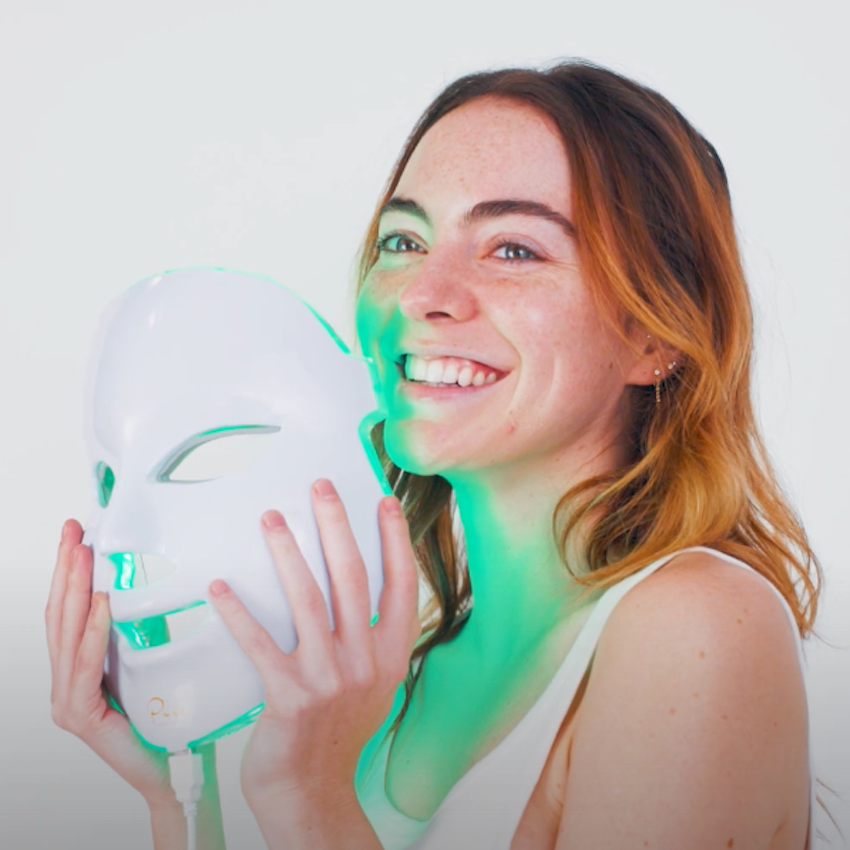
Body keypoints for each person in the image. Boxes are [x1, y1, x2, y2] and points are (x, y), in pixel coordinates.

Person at [47, 60, 820, 849]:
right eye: (404, 239)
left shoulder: (697, 627)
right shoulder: (397, 667)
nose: (424, 292)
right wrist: (178, 788)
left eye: (514, 249)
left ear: (654, 334)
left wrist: (307, 800)